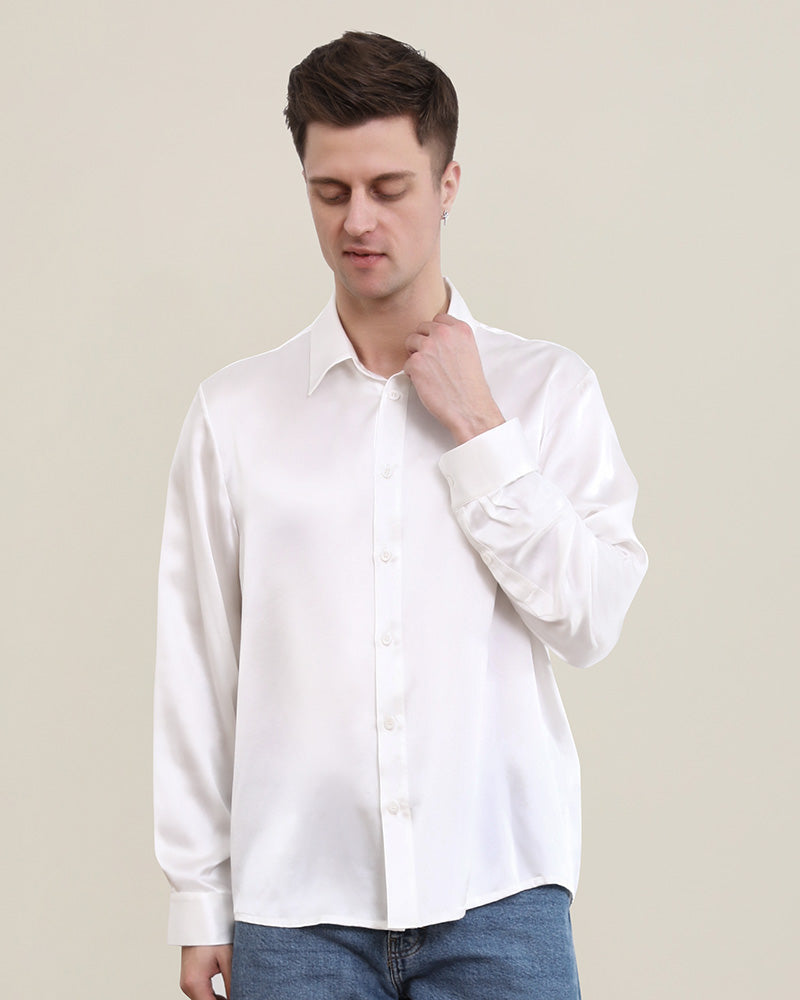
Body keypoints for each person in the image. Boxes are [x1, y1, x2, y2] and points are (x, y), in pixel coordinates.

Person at [154, 30, 647, 1000]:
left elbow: (589, 620)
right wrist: (198, 898)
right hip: (294, 909)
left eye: (389, 187)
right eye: (330, 191)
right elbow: (198, 666)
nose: (358, 221)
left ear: (447, 182)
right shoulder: (234, 414)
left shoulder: (546, 391)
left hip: (499, 889)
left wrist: (480, 429)